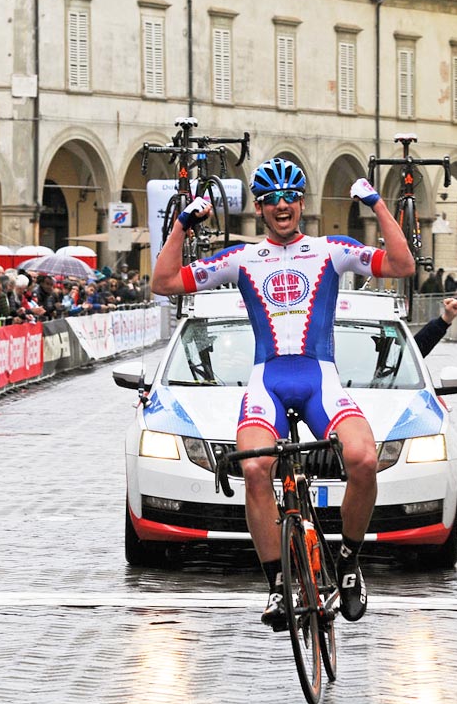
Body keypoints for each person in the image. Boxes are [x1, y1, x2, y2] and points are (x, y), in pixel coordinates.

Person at [151, 157, 414, 628]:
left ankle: (349, 564)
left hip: (320, 381)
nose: (280, 206)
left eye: (288, 197)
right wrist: (182, 225)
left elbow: (402, 263)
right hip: (266, 381)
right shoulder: (243, 259)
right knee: (254, 468)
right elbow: (163, 281)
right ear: (259, 208)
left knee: (364, 460)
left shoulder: (331, 249)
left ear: (302, 202)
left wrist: (376, 203)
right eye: (270, 200)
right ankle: (276, 584)